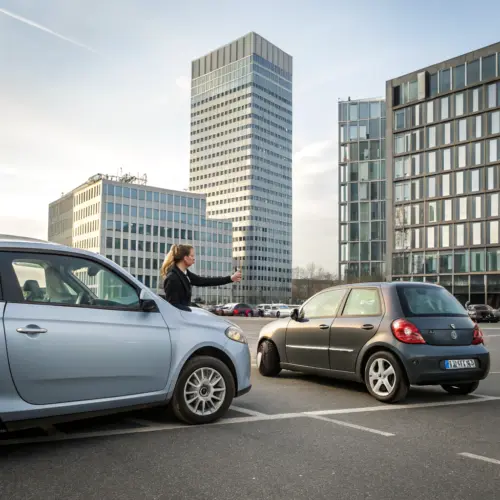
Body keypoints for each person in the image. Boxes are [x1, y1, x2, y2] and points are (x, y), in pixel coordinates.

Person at [161, 244, 242, 310]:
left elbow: (205, 281)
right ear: (185, 258)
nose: (194, 258)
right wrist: (193, 310)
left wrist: (231, 278)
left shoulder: (185, 274)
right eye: (192, 256)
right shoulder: (172, 278)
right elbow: (173, 306)